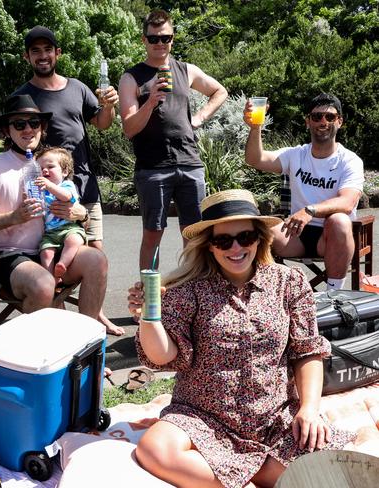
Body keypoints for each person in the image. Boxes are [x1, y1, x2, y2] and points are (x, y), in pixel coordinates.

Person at [127, 189, 355, 488]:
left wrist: (309, 409)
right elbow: (162, 356)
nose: (235, 248)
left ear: (260, 238)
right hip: (202, 416)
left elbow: (307, 351)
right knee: (154, 449)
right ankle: (257, 476)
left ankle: (237, 473)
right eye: (223, 240)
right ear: (209, 246)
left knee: (334, 468)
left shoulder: (288, 282)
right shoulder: (187, 290)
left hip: (275, 416)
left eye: (245, 237)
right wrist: (148, 316)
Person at [12, 26, 124, 335]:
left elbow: (102, 123)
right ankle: (61, 322)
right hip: (48, 196)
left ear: (57, 53)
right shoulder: (23, 96)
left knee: (95, 253)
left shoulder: (77, 87)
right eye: (35, 51)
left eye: (48, 49)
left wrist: (110, 105)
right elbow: (17, 141)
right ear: (27, 56)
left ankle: (95, 315)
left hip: (85, 186)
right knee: (54, 253)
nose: (43, 55)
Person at [0, 94, 109, 328]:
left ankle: (84, 345)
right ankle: (39, 357)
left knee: (96, 260)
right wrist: (13, 217)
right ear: (6, 130)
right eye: (19, 124)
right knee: (43, 283)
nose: (28, 130)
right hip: (8, 255)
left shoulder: (49, 164)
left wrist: (80, 214)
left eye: (34, 123)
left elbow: (73, 203)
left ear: (42, 128)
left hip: (53, 247)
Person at [118, 9, 228, 271]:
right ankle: (149, 302)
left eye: (165, 38)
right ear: (144, 40)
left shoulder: (185, 70)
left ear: (173, 39)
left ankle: (189, 296)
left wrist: (199, 117)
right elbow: (129, 128)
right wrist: (151, 101)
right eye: (154, 38)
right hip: (153, 167)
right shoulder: (131, 77)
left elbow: (219, 91)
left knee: (194, 235)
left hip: (189, 163)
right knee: (153, 235)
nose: (160, 44)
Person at [243, 92, 364, 290]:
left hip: (332, 237)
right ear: (308, 122)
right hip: (295, 233)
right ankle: (266, 294)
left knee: (339, 220)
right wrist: (256, 128)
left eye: (330, 117)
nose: (323, 121)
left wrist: (309, 211)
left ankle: (333, 295)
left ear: (340, 122)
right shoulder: (296, 154)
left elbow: (348, 202)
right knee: (257, 230)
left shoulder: (349, 160)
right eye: (316, 117)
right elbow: (255, 160)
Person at [35, 146, 87, 279]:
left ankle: (62, 264)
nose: (44, 170)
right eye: (40, 169)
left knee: (74, 241)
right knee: (46, 253)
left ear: (64, 171)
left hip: (69, 228)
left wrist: (49, 185)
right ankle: (50, 278)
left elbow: (67, 197)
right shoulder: (39, 190)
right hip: (50, 233)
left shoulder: (66, 185)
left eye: (50, 167)